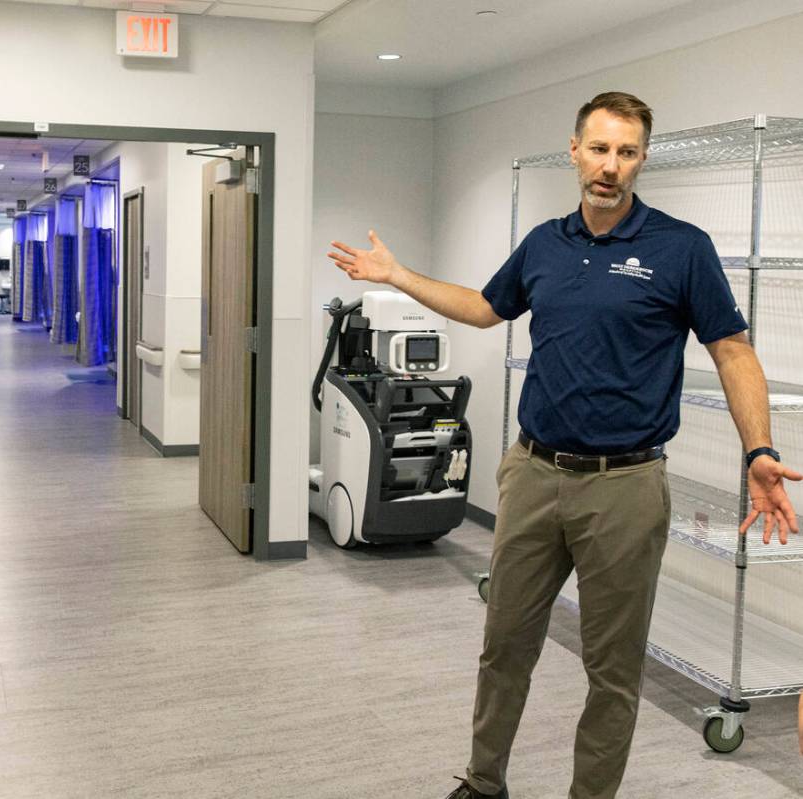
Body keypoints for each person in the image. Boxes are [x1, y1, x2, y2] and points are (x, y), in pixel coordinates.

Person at [327, 91, 801, 799]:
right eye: (600, 148)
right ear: (575, 150)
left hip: (626, 485)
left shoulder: (680, 248)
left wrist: (759, 450)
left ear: (642, 159)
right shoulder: (546, 244)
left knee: (611, 668)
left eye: (627, 152)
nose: (611, 166)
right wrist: (398, 276)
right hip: (534, 471)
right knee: (504, 646)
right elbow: (486, 309)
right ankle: (485, 783)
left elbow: (733, 351)